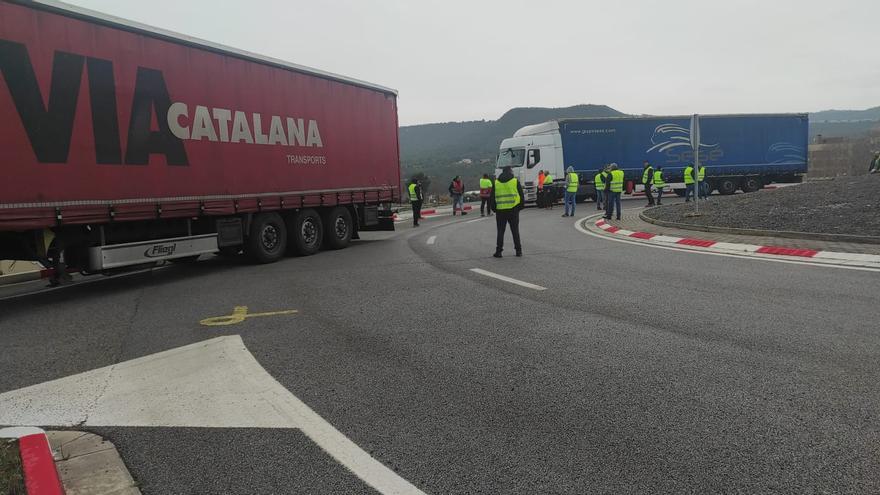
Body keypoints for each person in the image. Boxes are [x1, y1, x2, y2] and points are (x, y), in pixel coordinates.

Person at [492, 166, 524, 258]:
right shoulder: (515, 181)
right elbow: (521, 195)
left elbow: (492, 198)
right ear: (510, 171)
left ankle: (499, 251)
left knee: (500, 231)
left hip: (500, 211)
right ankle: (518, 251)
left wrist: (495, 209)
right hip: (513, 210)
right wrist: (519, 207)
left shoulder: (496, 182)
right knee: (515, 231)